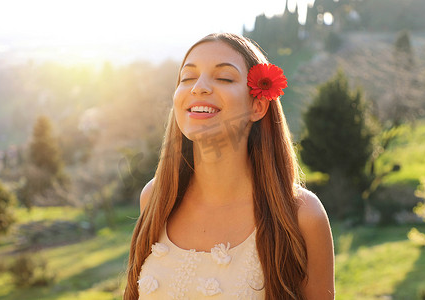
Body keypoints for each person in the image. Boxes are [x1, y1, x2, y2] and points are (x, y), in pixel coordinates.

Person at [124, 32, 334, 300]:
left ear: (257, 106)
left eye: (223, 78)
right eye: (187, 78)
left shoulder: (302, 215)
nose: (198, 87)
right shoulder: (156, 198)